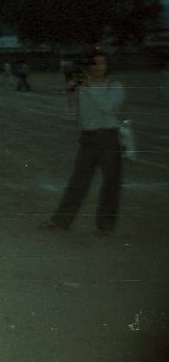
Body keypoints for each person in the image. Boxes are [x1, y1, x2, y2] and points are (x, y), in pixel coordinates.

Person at [41, 51, 125, 234]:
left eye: (102, 63)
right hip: (88, 138)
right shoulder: (82, 87)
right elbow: (71, 112)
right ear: (88, 66)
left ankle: (105, 225)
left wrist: (88, 87)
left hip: (108, 136)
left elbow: (109, 107)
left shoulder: (114, 86)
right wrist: (71, 90)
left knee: (111, 182)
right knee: (77, 181)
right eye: (94, 63)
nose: (98, 67)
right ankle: (60, 221)